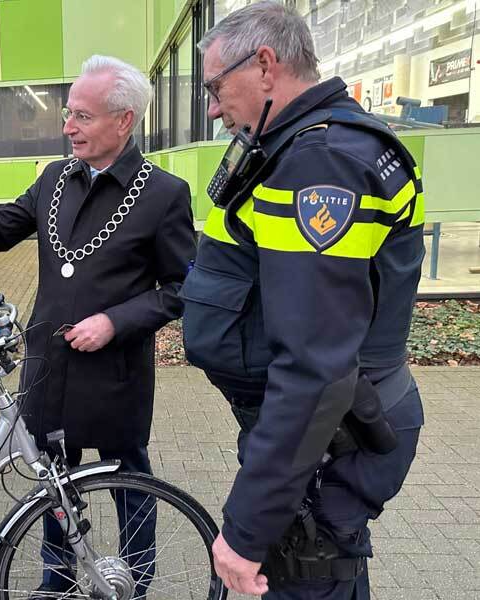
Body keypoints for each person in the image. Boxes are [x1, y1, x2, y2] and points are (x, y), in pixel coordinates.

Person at [0, 55, 197, 597]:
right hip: (49, 367)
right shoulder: (56, 177)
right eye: (68, 113)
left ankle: (136, 581)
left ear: (123, 120)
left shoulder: (163, 194)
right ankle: (54, 582)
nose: (67, 127)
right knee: (50, 486)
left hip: (115, 371)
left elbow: (180, 289)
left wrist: (115, 320)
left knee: (130, 481)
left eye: (81, 116)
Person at [180, 3, 425, 598]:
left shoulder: (322, 161)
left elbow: (315, 367)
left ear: (265, 65)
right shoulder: (305, 144)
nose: (213, 107)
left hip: (329, 437)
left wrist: (245, 529)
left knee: (309, 578)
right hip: (320, 433)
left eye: (216, 86)